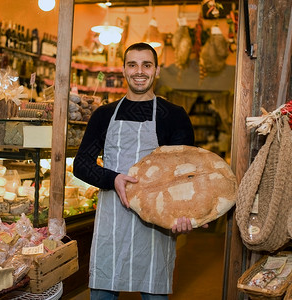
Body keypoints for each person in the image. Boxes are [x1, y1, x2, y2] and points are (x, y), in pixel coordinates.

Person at [73, 42, 198, 300]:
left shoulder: (173, 115)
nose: (139, 71)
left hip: (156, 225)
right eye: (133, 64)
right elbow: (81, 164)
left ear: (157, 70)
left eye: (146, 65)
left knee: (153, 293)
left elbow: (186, 175)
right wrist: (113, 178)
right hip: (112, 222)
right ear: (123, 70)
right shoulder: (103, 115)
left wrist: (186, 214)